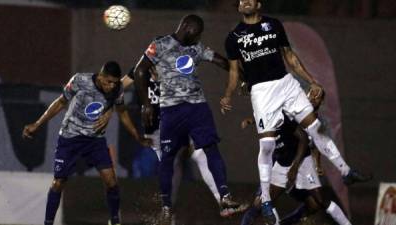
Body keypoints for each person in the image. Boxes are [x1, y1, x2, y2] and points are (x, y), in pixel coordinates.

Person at [221, 0, 371, 223]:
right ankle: (267, 202)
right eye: (242, 0)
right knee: (267, 145)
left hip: (285, 83)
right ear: (239, 7)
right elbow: (234, 70)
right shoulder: (234, 37)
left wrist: (311, 80)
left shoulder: (273, 25)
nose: (246, 2)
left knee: (315, 126)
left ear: (259, 4)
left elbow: (289, 56)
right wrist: (228, 94)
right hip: (262, 91)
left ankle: (346, 171)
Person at [134, 14, 247, 218]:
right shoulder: (159, 44)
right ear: (186, 26)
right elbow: (140, 71)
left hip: (197, 108)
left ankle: (225, 198)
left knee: (211, 148)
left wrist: (244, 74)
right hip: (171, 109)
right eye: (196, 32)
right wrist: (146, 104)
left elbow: (221, 61)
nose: (198, 37)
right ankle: (166, 207)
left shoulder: (197, 47)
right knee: (168, 157)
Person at [22, 61, 151, 225]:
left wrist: (137, 136)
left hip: (95, 141)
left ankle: (115, 221)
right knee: (58, 182)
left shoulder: (116, 88)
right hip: (70, 138)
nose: (111, 86)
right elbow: (61, 102)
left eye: (115, 82)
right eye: (108, 81)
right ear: (101, 76)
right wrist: (37, 124)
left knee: (111, 180)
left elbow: (122, 112)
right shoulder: (80, 81)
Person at [96, 66, 231, 217]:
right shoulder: (141, 68)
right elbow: (119, 87)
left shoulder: (174, 68)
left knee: (197, 155)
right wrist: (105, 105)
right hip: (154, 132)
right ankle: (157, 210)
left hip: (174, 124)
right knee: (159, 167)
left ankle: (221, 200)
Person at [240, 90, 352, 225]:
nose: (314, 98)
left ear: (321, 102)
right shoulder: (290, 107)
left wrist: (314, 164)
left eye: (318, 97)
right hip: (282, 162)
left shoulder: (314, 121)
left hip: (302, 162)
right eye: (312, 93)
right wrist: (250, 120)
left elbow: (313, 143)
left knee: (317, 203)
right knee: (261, 203)